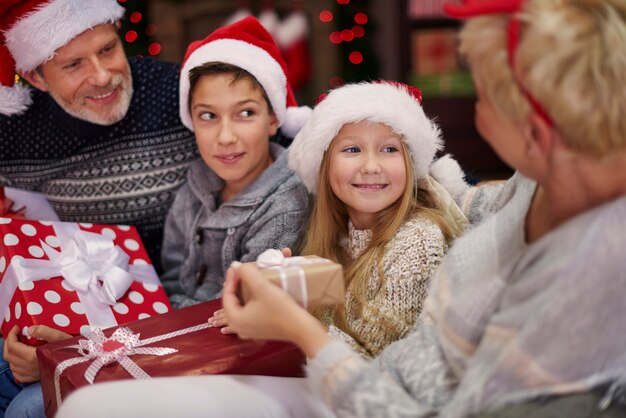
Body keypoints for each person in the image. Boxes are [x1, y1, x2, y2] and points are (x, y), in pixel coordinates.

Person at [55, 0, 626, 417]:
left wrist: (299, 330)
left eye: (482, 90)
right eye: (350, 151)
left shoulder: (564, 281)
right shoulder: (527, 195)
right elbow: (477, 201)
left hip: (347, 389)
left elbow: (392, 376)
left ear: (536, 123)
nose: (474, 104)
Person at [0, 0, 197, 416]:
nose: (103, 76)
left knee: (29, 407)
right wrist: (17, 333)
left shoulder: (175, 92)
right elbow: (22, 250)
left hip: (166, 318)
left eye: (107, 49)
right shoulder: (14, 129)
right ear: (35, 76)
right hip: (70, 310)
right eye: (73, 65)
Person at [213, 81, 467, 358]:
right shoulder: (334, 234)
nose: (371, 167)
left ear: (410, 163)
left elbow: (372, 367)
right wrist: (279, 295)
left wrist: (288, 322)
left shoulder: (419, 240)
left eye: (390, 149)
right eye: (352, 150)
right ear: (325, 165)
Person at [160, 16, 311, 309]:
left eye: (245, 114)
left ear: (274, 118)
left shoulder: (286, 205)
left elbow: (247, 306)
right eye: (208, 116)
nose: (226, 137)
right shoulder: (194, 188)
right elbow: (170, 277)